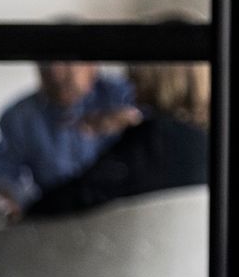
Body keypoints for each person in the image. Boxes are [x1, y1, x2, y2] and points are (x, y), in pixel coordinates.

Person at [26, 63, 208, 218]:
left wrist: (27, 214)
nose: (130, 81)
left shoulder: (154, 138)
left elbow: (83, 193)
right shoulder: (210, 140)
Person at [0, 61, 138, 214]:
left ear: (92, 64)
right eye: (46, 63)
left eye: (67, 62)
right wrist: (7, 202)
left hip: (120, 213)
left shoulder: (124, 96)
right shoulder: (18, 117)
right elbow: (5, 178)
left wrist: (134, 124)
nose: (55, 72)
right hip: (56, 219)